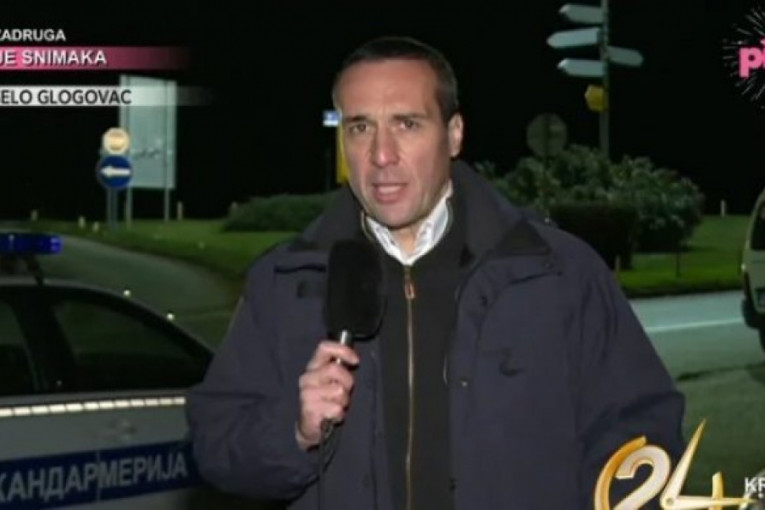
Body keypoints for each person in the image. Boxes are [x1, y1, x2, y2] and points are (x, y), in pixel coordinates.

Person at [185, 35, 686, 509]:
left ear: (454, 134)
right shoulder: (286, 281)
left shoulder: (556, 274)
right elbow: (216, 445)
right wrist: (294, 432)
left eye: (407, 124)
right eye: (360, 127)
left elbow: (642, 436)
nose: (381, 156)